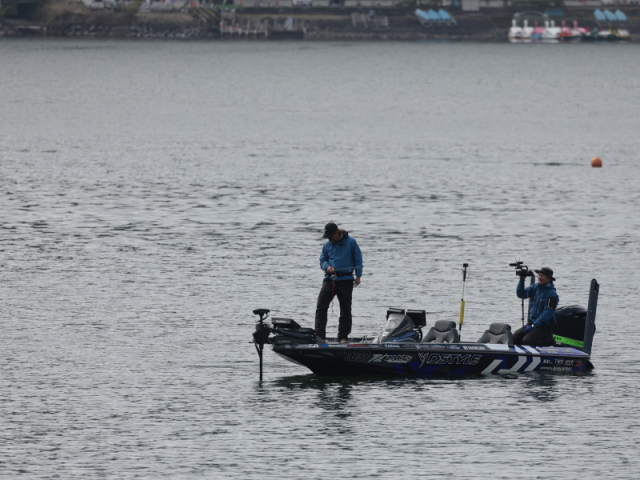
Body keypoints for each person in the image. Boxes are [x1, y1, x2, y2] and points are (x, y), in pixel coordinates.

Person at [315, 222, 363, 344]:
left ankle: (343, 337)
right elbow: (322, 260)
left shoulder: (351, 242)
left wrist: (358, 276)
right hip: (329, 280)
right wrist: (327, 267)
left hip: (346, 280)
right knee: (321, 307)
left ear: (337, 233)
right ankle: (319, 336)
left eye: (330, 236)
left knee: (345, 309)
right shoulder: (327, 245)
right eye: (327, 236)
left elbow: (358, 259)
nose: (329, 238)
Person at [512, 267, 559, 346]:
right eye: (539, 275)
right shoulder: (535, 287)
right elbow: (521, 294)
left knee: (527, 341)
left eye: (542, 276)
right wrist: (522, 279)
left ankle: (548, 340)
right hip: (532, 323)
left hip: (544, 326)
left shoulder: (552, 294)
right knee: (514, 339)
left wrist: (534, 326)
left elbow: (548, 313)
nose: (540, 277)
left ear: (549, 278)